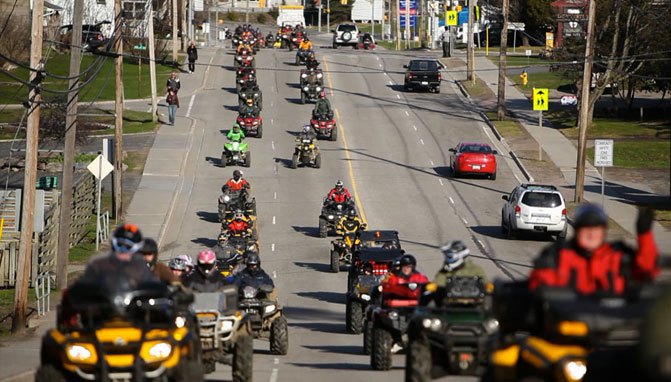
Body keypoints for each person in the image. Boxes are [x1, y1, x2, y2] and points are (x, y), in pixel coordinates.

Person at [529, 205, 658, 295]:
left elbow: (646, 270)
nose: (591, 235)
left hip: (611, 324)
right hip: (569, 326)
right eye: (586, 229)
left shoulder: (617, 255)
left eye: (596, 229)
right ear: (577, 231)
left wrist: (644, 235)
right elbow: (539, 285)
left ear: (603, 232)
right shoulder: (558, 255)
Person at [79, 224, 156, 291]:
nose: (123, 250)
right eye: (119, 245)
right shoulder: (100, 265)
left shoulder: (142, 268)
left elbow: (155, 287)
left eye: (128, 247)